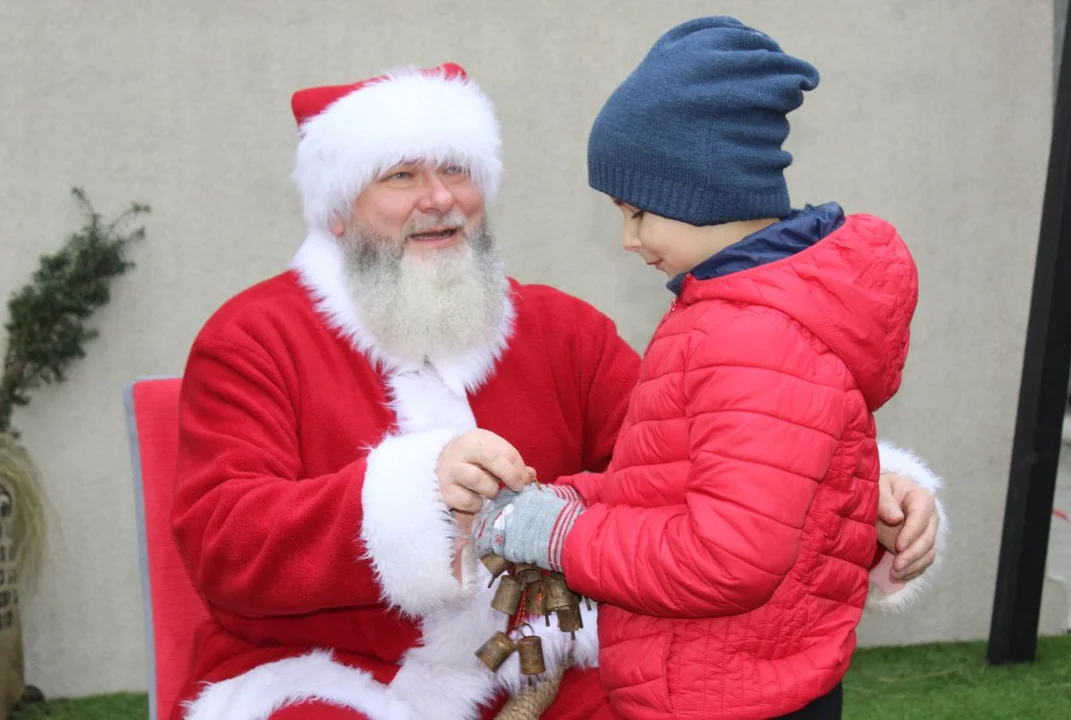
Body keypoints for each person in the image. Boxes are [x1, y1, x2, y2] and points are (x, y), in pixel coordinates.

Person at [170, 61, 945, 720]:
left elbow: (703, 453)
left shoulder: (559, 328)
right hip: (338, 668)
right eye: (402, 175)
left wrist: (861, 487)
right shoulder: (253, 337)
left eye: (457, 171)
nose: (440, 198)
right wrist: (413, 494)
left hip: (545, 660)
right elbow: (223, 539)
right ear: (338, 210)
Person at [471, 17, 944, 720]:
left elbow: (726, 559)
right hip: (724, 676)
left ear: (704, 190)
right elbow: (683, 487)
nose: (628, 241)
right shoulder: (730, 313)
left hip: (723, 693)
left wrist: (563, 537)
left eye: (638, 213)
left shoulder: (752, 334)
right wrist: (570, 501)